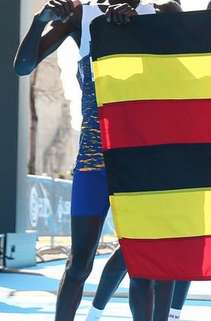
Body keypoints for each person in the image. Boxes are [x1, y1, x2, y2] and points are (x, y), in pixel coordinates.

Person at [13, 1, 182, 320]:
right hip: (95, 158)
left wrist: (140, 29)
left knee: (144, 268)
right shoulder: (82, 13)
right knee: (78, 266)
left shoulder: (165, 12)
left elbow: (192, 64)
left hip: (145, 160)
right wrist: (40, 21)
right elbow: (22, 67)